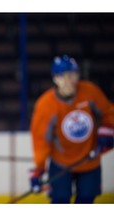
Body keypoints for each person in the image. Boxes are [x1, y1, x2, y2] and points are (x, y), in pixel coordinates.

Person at [29, 54, 114, 204]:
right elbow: (41, 140)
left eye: (75, 74)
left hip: (90, 161)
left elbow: (108, 113)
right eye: (67, 75)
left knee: (86, 202)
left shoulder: (90, 92)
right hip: (61, 164)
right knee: (60, 203)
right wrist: (39, 168)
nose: (72, 79)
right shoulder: (45, 105)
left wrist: (108, 129)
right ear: (56, 79)